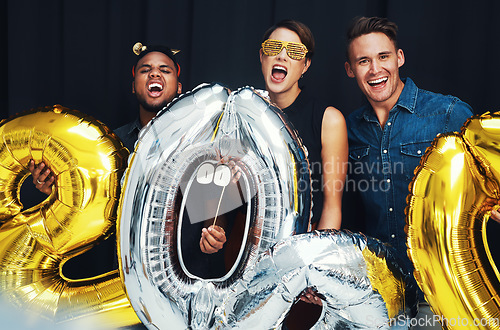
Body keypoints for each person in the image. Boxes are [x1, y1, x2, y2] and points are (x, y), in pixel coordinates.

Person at [29, 42, 227, 266]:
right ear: (134, 86)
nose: (154, 73)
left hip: (187, 272)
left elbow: (215, 199)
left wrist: (216, 231)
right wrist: (56, 189)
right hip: (124, 278)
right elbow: (92, 200)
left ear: (179, 87)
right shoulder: (111, 143)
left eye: (164, 70)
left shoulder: (204, 140)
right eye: (145, 70)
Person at [343, 16, 473, 328]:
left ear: (399, 58)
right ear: (350, 70)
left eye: (383, 57)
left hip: (438, 289)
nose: (375, 70)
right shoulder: (349, 129)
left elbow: (487, 169)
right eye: (363, 61)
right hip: (378, 290)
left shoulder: (447, 114)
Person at [260, 19, 348, 232]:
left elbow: (332, 207)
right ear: (262, 57)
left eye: (294, 51)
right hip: (247, 249)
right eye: (273, 48)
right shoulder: (244, 113)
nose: (282, 56)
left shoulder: (329, 120)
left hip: (303, 250)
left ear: (305, 65)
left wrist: (311, 260)